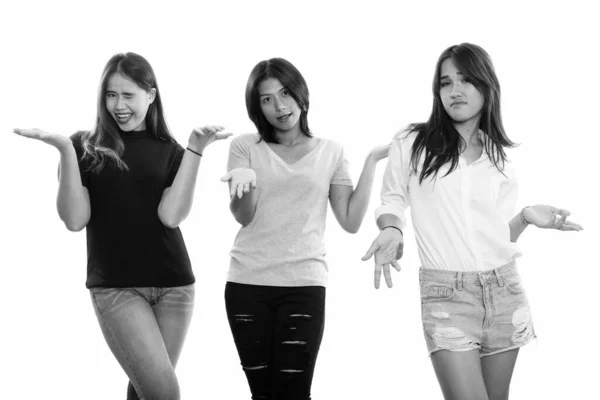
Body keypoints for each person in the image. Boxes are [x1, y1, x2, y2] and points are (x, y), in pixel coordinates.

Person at [362, 43, 583, 400]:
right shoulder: (412, 141)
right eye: (446, 83)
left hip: (504, 290)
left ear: (487, 86)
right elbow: (393, 199)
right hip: (446, 296)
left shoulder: (498, 159)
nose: (455, 91)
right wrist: (391, 228)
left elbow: (490, 239)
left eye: (465, 80)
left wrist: (525, 217)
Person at [13, 52, 231, 400]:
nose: (118, 105)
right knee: (163, 393)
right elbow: (74, 220)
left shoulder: (172, 151)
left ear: (151, 94)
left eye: (128, 95)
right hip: (116, 289)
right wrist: (64, 151)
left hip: (175, 288)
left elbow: (171, 217)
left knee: (145, 391)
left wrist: (195, 149)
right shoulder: (83, 145)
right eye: (110, 95)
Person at [219, 57, 389, 400]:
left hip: (304, 284)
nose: (279, 106)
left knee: (294, 392)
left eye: (284, 93)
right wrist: (246, 183)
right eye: (266, 99)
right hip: (247, 283)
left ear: (300, 93)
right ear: (257, 107)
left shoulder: (332, 151)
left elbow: (351, 221)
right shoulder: (243, 147)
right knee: (263, 394)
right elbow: (242, 216)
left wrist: (371, 161)